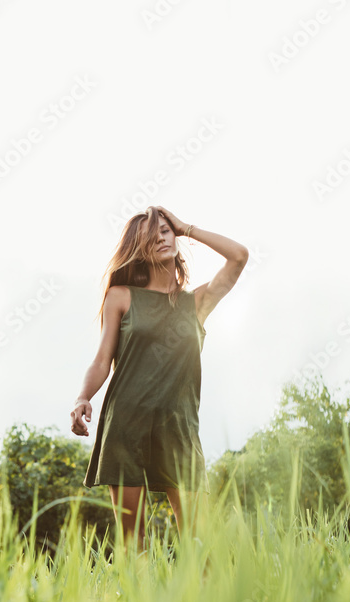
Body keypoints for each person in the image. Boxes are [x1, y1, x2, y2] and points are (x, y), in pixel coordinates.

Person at [71, 205, 249, 557]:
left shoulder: (196, 303)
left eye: (165, 231)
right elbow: (102, 359)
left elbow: (239, 257)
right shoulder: (120, 297)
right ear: (138, 249)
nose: (161, 238)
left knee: (199, 542)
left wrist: (188, 227)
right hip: (125, 423)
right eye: (151, 236)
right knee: (132, 544)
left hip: (179, 425)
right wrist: (82, 398)